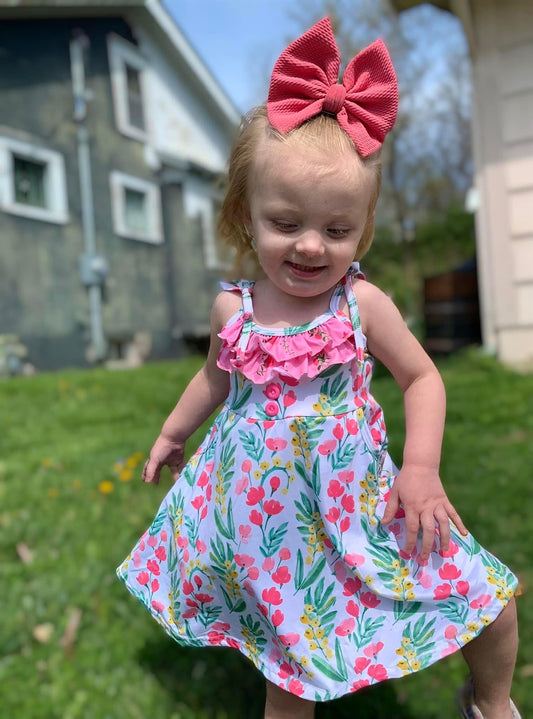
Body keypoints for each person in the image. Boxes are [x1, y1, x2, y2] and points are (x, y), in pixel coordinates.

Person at [117, 18, 520, 719]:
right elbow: (215, 376)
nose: (310, 246)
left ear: (360, 229)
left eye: (336, 230)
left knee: (485, 599)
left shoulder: (359, 303)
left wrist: (418, 469)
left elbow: (422, 378)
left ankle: (490, 700)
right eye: (286, 223)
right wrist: (171, 433)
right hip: (268, 520)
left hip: (363, 505)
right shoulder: (231, 309)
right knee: (291, 668)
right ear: (245, 215)